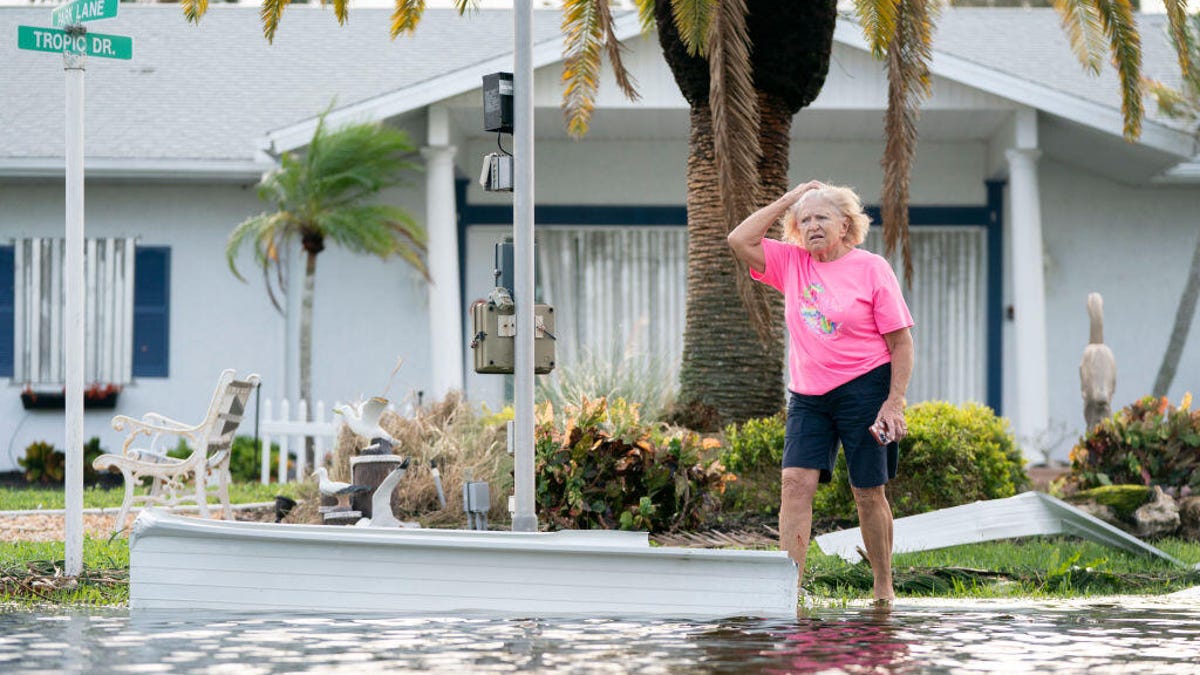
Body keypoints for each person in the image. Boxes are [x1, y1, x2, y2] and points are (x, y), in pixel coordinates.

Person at [727, 180, 914, 605]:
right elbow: (739, 239)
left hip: (866, 389)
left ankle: (883, 587)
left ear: (845, 224)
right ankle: (786, 591)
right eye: (804, 219)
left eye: (821, 217)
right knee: (794, 484)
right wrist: (790, 199)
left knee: (868, 492)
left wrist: (894, 400)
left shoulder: (871, 268)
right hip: (809, 395)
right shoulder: (791, 263)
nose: (811, 225)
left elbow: (902, 343)